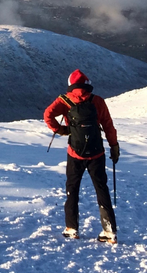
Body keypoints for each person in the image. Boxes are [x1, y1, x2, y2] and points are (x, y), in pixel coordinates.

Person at [44, 69, 120, 243]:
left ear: (71, 85)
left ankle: (72, 228)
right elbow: (108, 126)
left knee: (72, 189)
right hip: (97, 153)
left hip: (74, 153)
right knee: (101, 189)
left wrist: (62, 130)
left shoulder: (65, 101)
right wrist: (114, 146)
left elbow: (47, 115)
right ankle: (109, 231)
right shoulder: (97, 101)